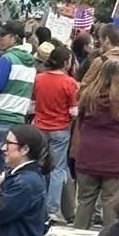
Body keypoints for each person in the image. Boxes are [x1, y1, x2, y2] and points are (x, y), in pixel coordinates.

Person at [73, 59, 119, 230]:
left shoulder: (88, 96)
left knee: (85, 200)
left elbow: (79, 122)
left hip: (88, 153)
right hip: (116, 157)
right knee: (111, 202)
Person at [0, 20, 36, 166]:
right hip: (17, 121)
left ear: (14, 38)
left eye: (3, 35)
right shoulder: (31, 64)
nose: (0, 38)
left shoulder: (6, 59)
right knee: (7, 169)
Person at [32, 44, 78, 224]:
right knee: (58, 169)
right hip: (60, 129)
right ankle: (53, 209)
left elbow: (33, 104)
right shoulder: (70, 83)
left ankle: (38, 205)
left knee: (40, 166)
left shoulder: (39, 79)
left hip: (40, 127)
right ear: (67, 63)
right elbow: (74, 111)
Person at [79, 23, 119, 95]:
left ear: (106, 40)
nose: (98, 43)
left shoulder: (100, 61)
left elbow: (83, 89)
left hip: (99, 105)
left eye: (100, 40)